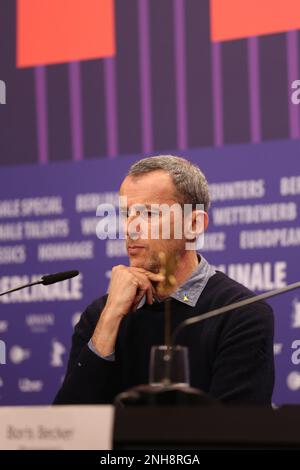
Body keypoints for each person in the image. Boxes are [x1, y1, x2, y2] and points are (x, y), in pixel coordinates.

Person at [53, 155, 274, 405]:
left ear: (194, 224)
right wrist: (111, 317)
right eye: (126, 214)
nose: (130, 228)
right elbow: (68, 428)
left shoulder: (241, 314)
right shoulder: (100, 316)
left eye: (148, 213)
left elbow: (234, 435)